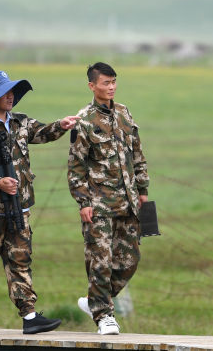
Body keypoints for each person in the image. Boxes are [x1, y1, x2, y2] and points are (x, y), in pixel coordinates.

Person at [0, 70, 79, 334]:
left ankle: (29, 317)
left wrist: (61, 125)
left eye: (12, 92)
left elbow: (42, 133)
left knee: (20, 259)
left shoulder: (21, 122)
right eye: (5, 92)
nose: (11, 96)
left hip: (20, 206)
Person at [68, 62, 149, 335]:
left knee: (129, 260)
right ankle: (104, 315)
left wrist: (143, 191)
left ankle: (94, 301)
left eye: (114, 82)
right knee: (100, 260)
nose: (111, 87)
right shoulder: (85, 120)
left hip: (129, 201)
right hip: (99, 204)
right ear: (92, 86)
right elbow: (76, 164)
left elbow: (137, 153)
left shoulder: (124, 113)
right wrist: (83, 202)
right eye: (105, 82)